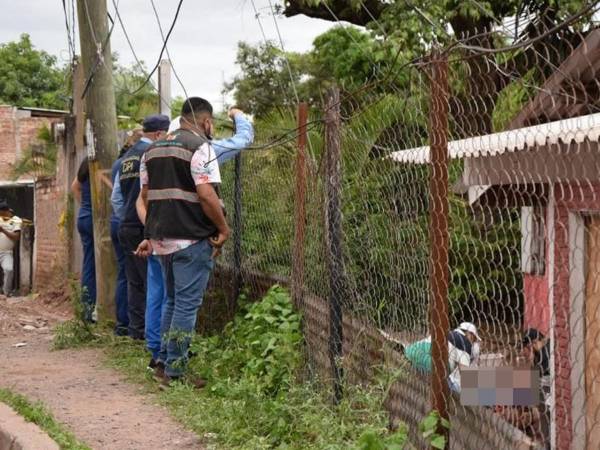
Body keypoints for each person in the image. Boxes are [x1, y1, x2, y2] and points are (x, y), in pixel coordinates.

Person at [138, 107, 254, 370]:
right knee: (186, 306)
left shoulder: (152, 150)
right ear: (206, 122)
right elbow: (206, 194)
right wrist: (223, 229)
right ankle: (175, 370)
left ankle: (163, 361)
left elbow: (145, 196)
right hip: (190, 239)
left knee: (172, 300)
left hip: (162, 239)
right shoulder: (201, 147)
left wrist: (150, 234)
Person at [115, 115, 170, 340]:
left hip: (126, 225)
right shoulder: (153, 155)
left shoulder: (125, 158)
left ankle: (136, 332)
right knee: (154, 285)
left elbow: (116, 198)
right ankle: (154, 337)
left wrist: (126, 217)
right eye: (166, 135)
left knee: (134, 282)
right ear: (159, 134)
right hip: (144, 227)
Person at [110, 130, 142, 336]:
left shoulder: (120, 163)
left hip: (122, 224)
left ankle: (126, 325)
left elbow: (116, 199)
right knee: (147, 280)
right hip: (139, 225)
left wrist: (124, 219)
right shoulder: (148, 155)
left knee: (128, 276)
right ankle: (143, 329)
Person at [404, 321, 481, 392]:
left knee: (451, 379)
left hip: (410, 352)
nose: (472, 342)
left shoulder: (447, 333)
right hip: (430, 366)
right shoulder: (465, 343)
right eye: (473, 339)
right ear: (469, 334)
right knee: (457, 387)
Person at [71, 157, 95, 321]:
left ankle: (87, 309)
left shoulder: (86, 163)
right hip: (94, 219)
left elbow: (75, 187)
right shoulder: (100, 162)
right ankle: (90, 310)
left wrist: (84, 206)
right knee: (95, 265)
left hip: (84, 217)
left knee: (88, 264)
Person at [0, 201, 21, 297]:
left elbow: (16, 237)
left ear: (6, 211)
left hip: (6, 252)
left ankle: (6, 292)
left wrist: (3, 230)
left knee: (9, 270)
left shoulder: (16, 220)